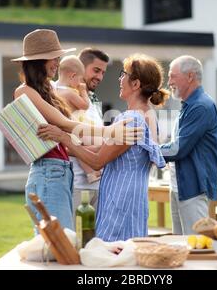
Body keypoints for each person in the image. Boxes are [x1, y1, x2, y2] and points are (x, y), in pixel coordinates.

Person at [11, 29, 141, 233]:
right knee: (61, 243)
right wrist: (110, 132)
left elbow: (66, 135)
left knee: (60, 244)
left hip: (59, 171)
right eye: (54, 58)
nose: (57, 63)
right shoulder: (24, 91)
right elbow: (64, 123)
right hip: (49, 172)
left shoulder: (47, 90)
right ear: (39, 61)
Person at [38, 54, 170, 241]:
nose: (119, 78)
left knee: (113, 253)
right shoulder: (146, 114)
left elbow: (98, 161)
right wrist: (61, 148)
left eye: (124, 74)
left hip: (120, 200)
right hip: (131, 198)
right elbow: (99, 150)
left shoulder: (131, 119)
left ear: (136, 84)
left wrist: (63, 138)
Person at [160, 55, 217, 235]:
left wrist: (145, 150)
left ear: (190, 76)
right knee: (181, 245)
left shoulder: (200, 106)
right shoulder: (189, 105)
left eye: (172, 76)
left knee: (196, 247)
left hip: (193, 188)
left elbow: (179, 148)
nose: (169, 81)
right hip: (179, 186)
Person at [70, 48, 110, 212]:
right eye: (96, 70)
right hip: (77, 185)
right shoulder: (68, 96)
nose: (100, 77)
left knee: (96, 238)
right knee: (76, 237)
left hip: (98, 185)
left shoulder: (92, 99)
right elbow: (71, 140)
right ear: (80, 68)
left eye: (103, 73)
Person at [55, 55, 101, 184]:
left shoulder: (55, 91)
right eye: (80, 79)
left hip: (65, 128)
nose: (80, 83)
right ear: (72, 76)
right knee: (83, 149)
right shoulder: (69, 93)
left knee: (79, 148)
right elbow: (84, 105)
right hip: (74, 127)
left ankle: (91, 173)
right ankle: (91, 172)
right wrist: (83, 91)